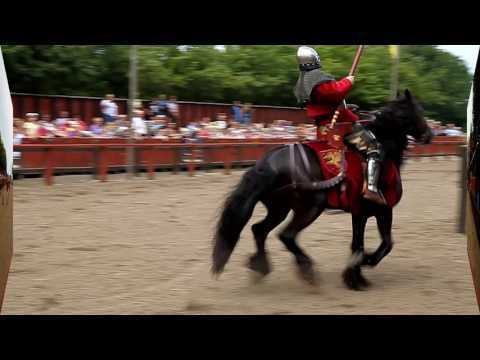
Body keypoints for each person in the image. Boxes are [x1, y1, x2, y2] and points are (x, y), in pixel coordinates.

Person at [294, 46, 386, 205]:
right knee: (373, 147)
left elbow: (327, 102)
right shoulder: (316, 80)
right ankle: (371, 189)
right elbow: (336, 91)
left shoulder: (305, 83)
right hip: (340, 127)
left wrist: (346, 106)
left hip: (325, 126)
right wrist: (347, 82)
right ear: (315, 60)